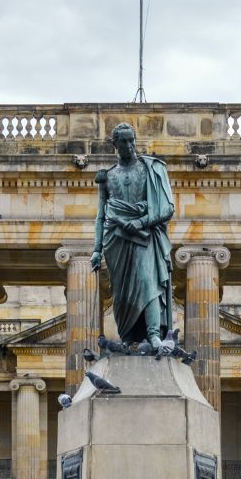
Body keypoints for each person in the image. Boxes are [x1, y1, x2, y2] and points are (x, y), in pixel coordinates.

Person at [89, 123, 175, 349]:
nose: (129, 146)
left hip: (144, 234)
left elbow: (166, 208)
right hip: (116, 239)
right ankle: (128, 337)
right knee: (121, 294)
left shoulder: (151, 169)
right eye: (123, 142)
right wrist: (97, 249)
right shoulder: (106, 177)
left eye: (131, 140)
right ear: (114, 145)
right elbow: (101, 215)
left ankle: (154, 334)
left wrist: (139, 222)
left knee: (148, 281)